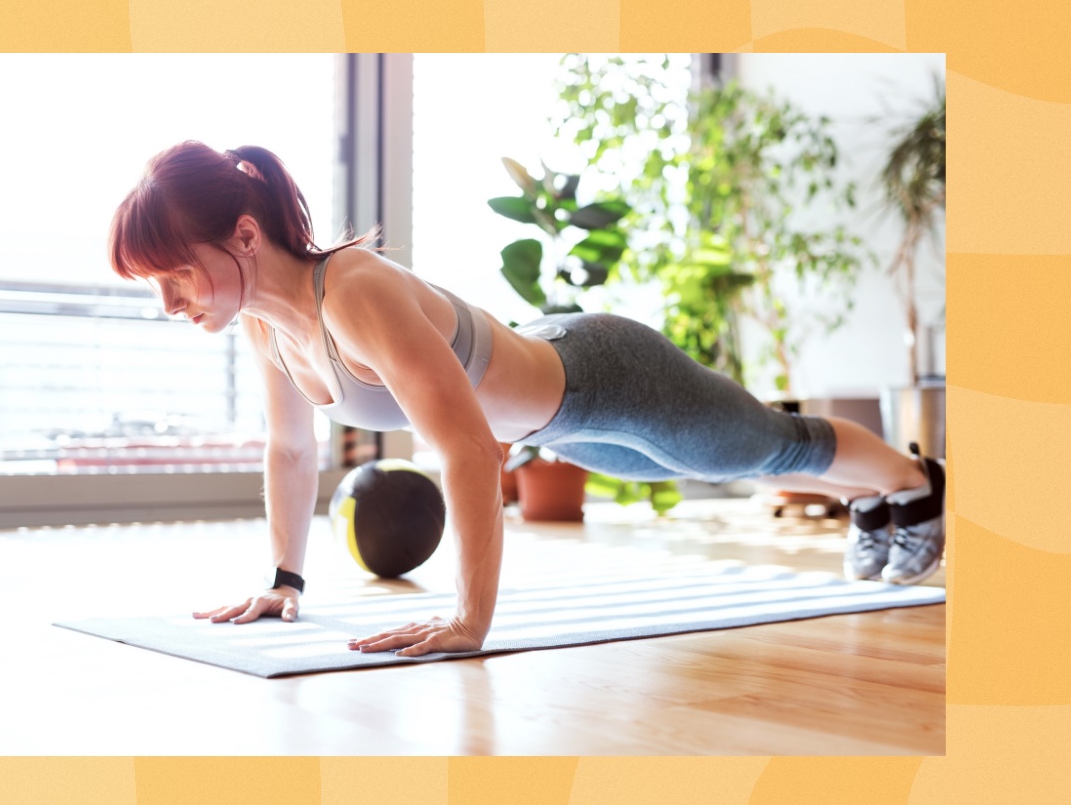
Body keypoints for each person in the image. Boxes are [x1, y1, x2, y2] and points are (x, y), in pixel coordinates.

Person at [108, 140, 946, 658]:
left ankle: (915, 483)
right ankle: (874, 500)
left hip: (602, 375)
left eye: (177, 272)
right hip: (559, 423)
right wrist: (285, 578)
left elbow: (470, 448)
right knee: (744, 467)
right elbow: (291, 450)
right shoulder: (268, 326)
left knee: (767, 447)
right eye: (157, 286)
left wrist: (471, 618)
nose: (171, 302)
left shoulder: (352, 292)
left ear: (245, 235)